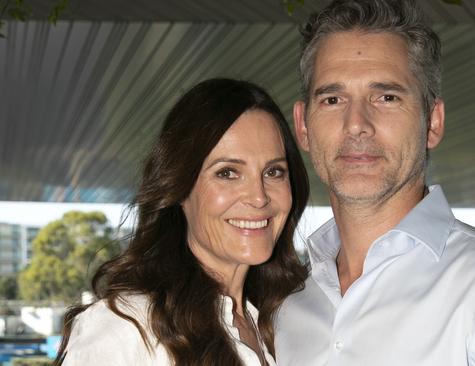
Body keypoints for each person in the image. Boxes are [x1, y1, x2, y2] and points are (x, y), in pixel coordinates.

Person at [273, 1, 475, 365]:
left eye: (386, 97)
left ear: (432, 122)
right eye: (333, 99)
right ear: (303, 126)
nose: (356, 123)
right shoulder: (285, 305)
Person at [54, 78, 310, 366]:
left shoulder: (283, 326)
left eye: (274, 172)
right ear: (179, 187)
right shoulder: (127, 328)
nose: (259, 197)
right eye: (227, 173)